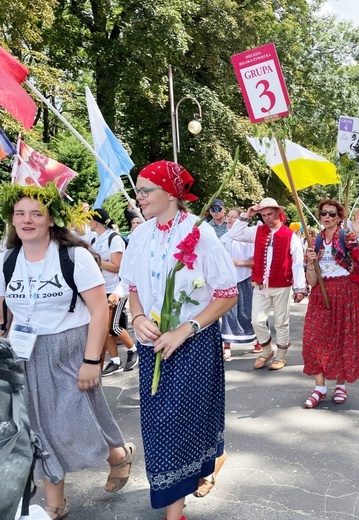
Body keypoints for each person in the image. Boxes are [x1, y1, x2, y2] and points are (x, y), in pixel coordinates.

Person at [0, 183, 134, 520]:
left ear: (51, 219)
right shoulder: (6, 260)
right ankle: (56, 501)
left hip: (69, 347)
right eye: (20, 214)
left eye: (36, 213)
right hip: (22, 350)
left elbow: (100, 310)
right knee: (35, 428)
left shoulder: (75, 257)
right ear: (12, 220)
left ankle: (116, 453)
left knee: (71, 421)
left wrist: (92, 361)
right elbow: (3, 312)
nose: (26, 220)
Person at [119, 160, 237, 520]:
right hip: (151, 341)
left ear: (170, 193)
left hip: (192, 345)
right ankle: (189, 478)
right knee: (158, 424)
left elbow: (227, 293)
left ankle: (175, 511)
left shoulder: (200, 234)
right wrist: (137, 318)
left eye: (145, 190)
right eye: (138, 190)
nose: (138, 198)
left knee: (179, 422)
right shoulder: (140, 235)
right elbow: (134, 287)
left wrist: (186, 329)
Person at [301, 200, 359, 408]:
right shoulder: (314, 242)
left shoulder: (347, 237)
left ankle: (340, 385)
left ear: (340, 218)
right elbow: (312, 281)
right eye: (323, 213)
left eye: (332, 214)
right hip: (320, 295)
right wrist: (311, 263)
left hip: (345, 293)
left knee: (342, 339)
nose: (327, 217)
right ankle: (319, 388)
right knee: (314, 339)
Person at [228, 197, 307, 370]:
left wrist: (299, 287)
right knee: (256, 321)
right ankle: (266, 350)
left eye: (269, 214)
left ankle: (281, 356)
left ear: (279, 213)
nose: (266, 218)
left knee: (281, 322)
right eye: (263, 215)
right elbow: (234, 234)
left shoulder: (290, 235)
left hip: (282, 285)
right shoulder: (257, 231)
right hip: (260, 285)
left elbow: (297, 263)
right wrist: (247, 214)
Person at [88, 208, 138, 375]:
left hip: (116, 289)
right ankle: (115, 361)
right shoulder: (95, 239)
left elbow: (117, 267)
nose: (87, 223)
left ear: (95, 221)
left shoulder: (114, 239)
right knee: (105, 329)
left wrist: (96, 262)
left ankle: (132, 349)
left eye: (89, 219)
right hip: (101, 288)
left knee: (113, 327)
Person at [219, 207, 257, 359]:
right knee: (228, 313)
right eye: (228, 216)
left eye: (234, 217)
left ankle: (258, 342)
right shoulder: (223, 238)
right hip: (228, 280)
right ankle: (227, 346)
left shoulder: (248, 238)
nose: (229, 219)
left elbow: (256, 261)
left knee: (249, 311)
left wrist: (238, 263)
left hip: (245, 278)